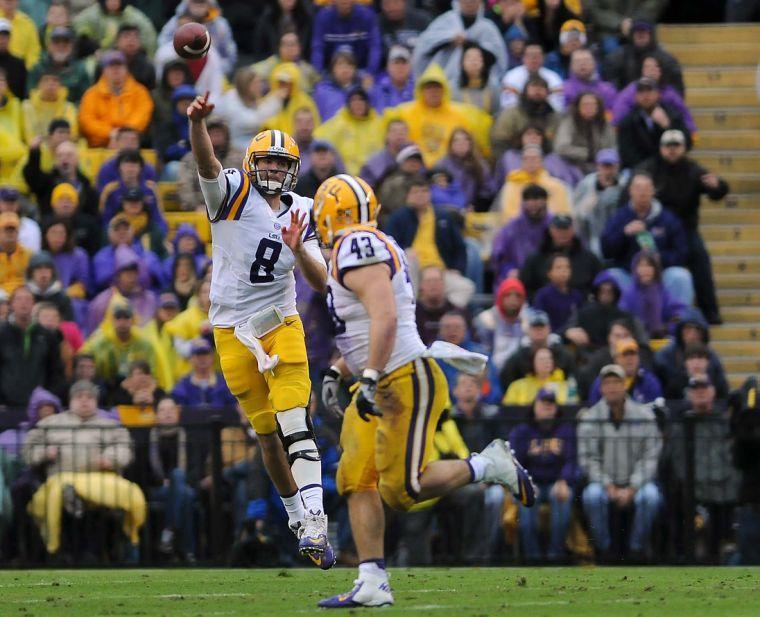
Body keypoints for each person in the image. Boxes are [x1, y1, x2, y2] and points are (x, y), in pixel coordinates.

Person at [314, 174, 534, 607]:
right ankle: (372, 580)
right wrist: (341, 369)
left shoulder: (357, 246)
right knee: (354, 478)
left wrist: (371, 375)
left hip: (400, 378)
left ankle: (487, 465)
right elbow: (358, 324)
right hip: (376, 376)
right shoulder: (357, 249)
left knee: (402, 490)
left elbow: (386, 319)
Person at [188, 89, 336, 566]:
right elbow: (208, 165)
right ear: (252, 164)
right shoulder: (230, 191)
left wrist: (300, 250)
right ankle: (297, 516)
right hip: (231, 329)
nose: (273, 171)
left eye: (281, 164)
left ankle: (316, 517)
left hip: (281, 321)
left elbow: (321, 282)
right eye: (266, 162)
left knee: (295, 420)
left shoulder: (303, 209)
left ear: (292, 168)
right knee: (267, 435)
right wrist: (197, 124)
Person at [23, 379, 146, 559]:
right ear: (70, 401)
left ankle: (81, 504)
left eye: (89, 397)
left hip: (101, 479)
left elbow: (125, 448)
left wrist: (110, 458)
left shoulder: (110, 425)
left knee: (129, 493)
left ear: (96, 402)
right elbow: (28, 449)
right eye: (79, 396)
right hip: (62, 477)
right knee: (58, 490)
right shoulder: (50, 424)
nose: (84, 400)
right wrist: (44, 453)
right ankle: (69, 516)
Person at [638, 129, 729, 324]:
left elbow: (718, 189)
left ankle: (709, 311)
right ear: (660, 148)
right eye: (667, 146)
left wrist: (717, 186)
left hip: (686, 229)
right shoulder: (649, 169)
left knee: (700, 259)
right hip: (654, 228)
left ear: (684, 148)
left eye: (676, 146)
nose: (672, 150)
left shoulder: (693, 170)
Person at [578, 364, 663, 560]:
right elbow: (588, 459)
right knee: (592, 496)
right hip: (604, 483)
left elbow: (650, 457)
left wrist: (633, 486)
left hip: (638, 483)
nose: (612, 387)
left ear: (625, 385)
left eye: (617, 382)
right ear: (601, 388)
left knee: (650, 497)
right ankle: (604, 550)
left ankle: (636, 549)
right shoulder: (590, 418)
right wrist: (608, 484)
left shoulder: (644, 416)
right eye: (607, 383)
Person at [384, 174, 474, 308]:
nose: (420, 195)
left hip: (440, 270)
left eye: (424, 191)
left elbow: (459, 247)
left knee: (466, 287)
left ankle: (444, 313)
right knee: (409, 259)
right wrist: (403, 251)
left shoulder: (444, 216)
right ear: (407, 196)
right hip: (414, 270)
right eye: (416, 192)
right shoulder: (398, 217)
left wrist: (456, 268)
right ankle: (413, 313)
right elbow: (387, 245)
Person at [602, 172, 694, 303]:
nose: (642, 192)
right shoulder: (619, 217)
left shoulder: (667, 218)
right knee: (611, 276)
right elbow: (606, 251)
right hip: (630, 275)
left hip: (660, 275)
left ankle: (679, 320)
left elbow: (682, 252)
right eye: (638, 188)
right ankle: (620, 322)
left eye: (646, 188)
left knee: (681, 276)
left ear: (653, 191)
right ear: (630, 191)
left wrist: (659, 257)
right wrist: (623, 234)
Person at [509, 388, 576, 561]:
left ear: (556, 408)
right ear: (534, 407)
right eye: (543, 403)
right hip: (531, 482)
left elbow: (572, 460)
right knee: (527, 501)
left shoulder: (566, 430)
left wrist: (564, 480)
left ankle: (556, 556)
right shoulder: (521, 430)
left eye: (551, 404)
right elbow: (515, 462)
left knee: (562, 498)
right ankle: (532, 558)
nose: (547, 407)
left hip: (557, 482)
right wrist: (526, 482)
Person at [386, 63, 474, 167]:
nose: (433, 92)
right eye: (429, 88)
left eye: (437, 88)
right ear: (421, 90)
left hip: (449, 169)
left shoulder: (459, 115)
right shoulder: (404, 112)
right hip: (414, 167)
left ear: (444, 90)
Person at [413, 0, 506, 93]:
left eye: (473, 1)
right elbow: (424, 49)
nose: (469, 3)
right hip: (443, 84)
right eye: (466, 1)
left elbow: (496, 59)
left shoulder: (488, 28)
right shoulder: (444, 21)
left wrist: (468, 43)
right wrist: (449, 40)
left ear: (480, 3)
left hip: (478, 86)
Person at [147, 396, 198, 562]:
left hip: (185, 485)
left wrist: (179, 481)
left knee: (181, 483)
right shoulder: (149, 438)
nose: (167, 414)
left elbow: (196, 468)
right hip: (158, 489)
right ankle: (188, 551)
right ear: (156, 415)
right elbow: (143, 471)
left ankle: (168, 532)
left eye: (171, 410)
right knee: (186, 495)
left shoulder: (189, 436)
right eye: (163, 410)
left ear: (177, 413)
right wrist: (161, 481)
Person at [0, 285, 64, 406]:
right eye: (19, 299)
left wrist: (49, 398)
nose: (23, 303)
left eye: (28, 299)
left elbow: (56, 372)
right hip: (5, 406)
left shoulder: (47, 336)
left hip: (40, 406)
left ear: (34, 304)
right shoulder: (2, 334)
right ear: (11, 305)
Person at [78, 50, 154, 148]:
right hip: (99, 146)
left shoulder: (141, 92)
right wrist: (110, 133)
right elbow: (87, 121)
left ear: (126, 69)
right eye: (111, 66)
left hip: (132, 144)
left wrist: (123, 135)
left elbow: (142, 116)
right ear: (104, 70)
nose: (115, 69)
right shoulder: (91, 94)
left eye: (119, 65)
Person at [520, 213, 602, 298]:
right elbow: (525, 287)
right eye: (559, 229)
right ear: (551, 230)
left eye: (566, 229)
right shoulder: (535, 259)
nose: (563, 233)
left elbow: (600, 282)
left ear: (573, 230)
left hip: (582, 307)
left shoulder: (588, 258)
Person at [654, 308, 729, 400]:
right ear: (680, 331)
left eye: (697, 329)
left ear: (703, 333)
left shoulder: (712, 357)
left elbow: (723, 393)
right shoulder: (664, 357)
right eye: (688, 329)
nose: (692, 334)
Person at [617, 77, 691, 169]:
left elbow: (687, 143)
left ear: (658, 94)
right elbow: (626, 153)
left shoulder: (673, 115)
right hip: (639, 170)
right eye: (641, 92)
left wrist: (668, 126)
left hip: (670, 167)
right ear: (636, 96)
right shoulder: (628, 121)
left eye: (649, 91)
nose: (645, 95)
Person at [611, 55, 695, 133]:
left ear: (660, 71)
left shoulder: (669, 93)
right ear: (642, 71)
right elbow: (620, 111)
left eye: (654, 67)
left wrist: (690, 130)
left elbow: (683, 113)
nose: (651, 70)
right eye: (647, 67)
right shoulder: (632, 90)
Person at [499, 308, 576, 391]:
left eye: (542, 327)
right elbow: (506, 381)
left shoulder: (564, 356)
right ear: (528, 330)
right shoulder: (518, 359)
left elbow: (572, 382)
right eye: (535, 327)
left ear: (549, 329)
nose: (539, 330)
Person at [313, 86, 384, 175]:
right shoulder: (337, 123)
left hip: (373, 176)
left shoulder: (379, 124)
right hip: (344, 176)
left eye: (361, 100)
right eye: (354, 100)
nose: (358, 104)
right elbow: (318, 140)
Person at [88, 244, 159, 332]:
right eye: (127, 273)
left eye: (134, 273)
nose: (131, 277)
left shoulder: (150, 299)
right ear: (118, 275)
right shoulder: (101, 303)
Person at [177, 117, 244, 212]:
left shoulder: (241, 158)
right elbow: (184, 187)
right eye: (212, 132)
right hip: (200, 210)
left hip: (235, 209)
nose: (216, 135)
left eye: (219, 132)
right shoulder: (190, 159)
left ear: (227, 135)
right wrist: (195, 207)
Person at [491, 183, 551, 284]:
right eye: (528, 199)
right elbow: (499, 254)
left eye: (537, 199)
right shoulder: (511, 227)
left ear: (545, 201)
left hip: (549, 274)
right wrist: (509, 270)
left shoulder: (554, 225)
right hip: (517, 273)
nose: (533, 204)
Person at [602, 19, 683, 94]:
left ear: (651, 35)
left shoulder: (667, 60)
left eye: (644, 32)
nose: (640, 35)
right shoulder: (618, 57)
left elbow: (677, 91)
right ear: (632, 35)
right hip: (627, 103)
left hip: (658, 103)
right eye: (637, 32)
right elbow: (611, 87)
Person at [618, 250, 686, 339]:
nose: (645, 270)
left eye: (649, 265)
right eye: (641, 266)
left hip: (661, 340)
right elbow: (622, 320)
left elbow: (678, 313)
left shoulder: (662, 292)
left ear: (655, 269)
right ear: (635, 269)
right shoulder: (628, 294)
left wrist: (667, 328)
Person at [572, 148, 627, 257]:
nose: (608, 170)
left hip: (619, 234)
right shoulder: (587, 184)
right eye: (604, 166)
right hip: (593, 236)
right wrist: (584, 209)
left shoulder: (624, 184)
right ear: (598, 166)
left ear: (617, 167)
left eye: (610, 166)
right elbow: (575, 215)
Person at [495, 144, 572, 221]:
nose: (530, 162)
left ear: (541, 161)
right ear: (521, 162)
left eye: (534, 159)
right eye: (526, 159)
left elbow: (562, 212)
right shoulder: (511, 185)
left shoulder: (556, 186)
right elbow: (509, 214)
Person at [215, 67, 284, 153]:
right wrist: (275, 100)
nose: (260, 86)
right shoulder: (230, 99)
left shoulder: (250, 99)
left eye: (260, 82)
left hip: (249, 147)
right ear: (245, 85)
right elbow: (251, 121)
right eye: (256, 83)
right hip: (233, 149)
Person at [24, 139, 98, 218]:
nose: (64, 158)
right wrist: (34, 153)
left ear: (77, 159)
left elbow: (92, 215)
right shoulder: (47, 183)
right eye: (60, 155)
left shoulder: (86, 186)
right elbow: (32, 177)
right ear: (55, 161)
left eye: (69, 155)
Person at [157, 0, 236, 75]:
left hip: (211, 71)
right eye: (195, 1)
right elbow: (163, 49)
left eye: (202, 2)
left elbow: (230, 57)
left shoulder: (220, 26)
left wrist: (214, 68)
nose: (198, 4)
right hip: (180, 69)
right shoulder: (176, 22)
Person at [563, 272, 633, 353]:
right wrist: (568, 331)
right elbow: (563, 331)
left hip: (620, 354)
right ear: (597, 291)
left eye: (610, 291)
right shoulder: (584, 313)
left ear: (616, 292)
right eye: (603, 290)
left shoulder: (625, 316)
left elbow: (640, 341)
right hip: (590, 356)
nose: (607, 291)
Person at [99, 149, 165, 234]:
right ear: (119, 167)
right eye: (126, 165)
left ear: (140, 168)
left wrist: (158, 236)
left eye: (134, 165)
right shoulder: (110, 190)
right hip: (119, 235)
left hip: (146, 234)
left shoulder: (150, 188)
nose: (130, 169)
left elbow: (158, 218)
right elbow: (105, 220)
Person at [311, 0, 381, 75]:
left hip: (361, 70)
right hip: (330, 71)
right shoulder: (323, 17)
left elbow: (375, 47)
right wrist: (317, 74)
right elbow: (318, 48)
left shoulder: (367, 15)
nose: (344, 1)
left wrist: (370, 73)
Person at [555, 92, 617, 175]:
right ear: (578, 107)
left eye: (593, 104)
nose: (589, 107)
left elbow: (613, 148)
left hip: (600, 166)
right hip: (573, 165)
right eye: (585, 104)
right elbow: (561, 148)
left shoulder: (605, 125)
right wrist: (586, 153)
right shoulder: (569, 123)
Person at [588, 338, 662, 405]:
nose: (629, 358)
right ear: (615, 358)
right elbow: (593, 409)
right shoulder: (603, 381)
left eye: (633, 354)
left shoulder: (649, 382)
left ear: (638, 357)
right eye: (625, 354)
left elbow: (656, 409)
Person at [436, 127, 495, 211]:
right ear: (450, 145)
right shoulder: (442, 165)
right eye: (457, 140)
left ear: (470, 143)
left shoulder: (481, 165)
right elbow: (437, 191)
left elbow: (488, 190)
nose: (461, 143)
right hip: (449, 209)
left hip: (474, 209)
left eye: (465, 140)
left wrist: (475, 206)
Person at [474, 277, 527, 370]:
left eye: (518, 295)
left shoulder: (528, 321)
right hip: (491, 370)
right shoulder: (485, 320)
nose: (513, 299)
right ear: (500, 297)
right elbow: (482, 354)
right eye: (508, 295)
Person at [27, 25, 89, 103]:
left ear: (71, 46)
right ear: (49, 46)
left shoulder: (80, 70)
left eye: (65, 42)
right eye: (56, 42)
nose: (61, 45)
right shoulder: (38, 68)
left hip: (71, 113)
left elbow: (85, 99)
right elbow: (29, 95)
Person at [73, 0, 157, 56]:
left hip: (128, 57)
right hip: (97, 56)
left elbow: (149, 41)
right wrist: (94, 49)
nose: (113, 1)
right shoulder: (90, 15)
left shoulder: (134, 17)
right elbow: (80, 32)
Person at [171, 338, 237, 408]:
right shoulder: (183, 386)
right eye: (198, 355)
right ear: (191, 359)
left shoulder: (225, 383)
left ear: (212, 357)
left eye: (205, 354)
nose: (202, 358)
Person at [499, 43, 564, 111]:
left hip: (546, 115)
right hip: (519, 116)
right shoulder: (511, 76)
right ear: (523, 58)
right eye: (530, 56)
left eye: (537, 56)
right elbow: (507, 105)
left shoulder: (553, 77)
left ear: (543, 58)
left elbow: (558, 106)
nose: (534, 59)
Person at [502, 346, 576, 405]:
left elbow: (571, 408)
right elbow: (509, 411)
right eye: (542, 359)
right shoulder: (517, 386)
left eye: (549, 358)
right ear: (533, 363)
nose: (547, 361)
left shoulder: (566, 386)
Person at [532, 253, 585, 333]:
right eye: (558, 267)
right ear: (549, 273)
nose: (563, 271)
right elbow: (540, 323)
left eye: (567, 267)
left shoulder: (577, 296)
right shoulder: (543, 295)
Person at [95, 127, 157, 192]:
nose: (129, 143)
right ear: (117, 143)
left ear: (138, 144)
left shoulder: (148, 169)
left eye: (133, 140)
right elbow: (102, 198)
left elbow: (152, 197)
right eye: (125, 139)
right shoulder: (106, 170)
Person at [313, 46, 363, 122]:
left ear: (355, 69)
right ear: (333, 68)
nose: (345, 69)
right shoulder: (322, 91)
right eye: (340, 64)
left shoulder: (362, 91)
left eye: (349, 65)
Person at [358, 118, 409, 189]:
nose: (399, 134)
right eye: (394, 131)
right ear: (387, 135)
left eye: (403, 131)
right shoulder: (374, 163)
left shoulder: (414, 158)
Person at [24, 251, 73, 321]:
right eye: (39, 269)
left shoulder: (62, 298)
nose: (43, 273)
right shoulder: (25, 296)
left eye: (47, 269)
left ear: (52, 273)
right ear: (31, 273)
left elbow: (69, 324)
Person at [369, 44, 414, 113]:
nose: (400, 67)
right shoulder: (375, 91)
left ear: (410, 67)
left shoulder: (417, 91)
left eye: (404, 63)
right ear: (388, 67)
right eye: (396, 63)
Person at [112, 23, 155, 90]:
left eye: (135, 36)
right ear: (116, 42)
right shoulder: (105, 64)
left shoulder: (147, 67)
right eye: (126, 36)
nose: (131, 40)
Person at [0, 0, 40, 69]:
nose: (9, 1)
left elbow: (33, 53)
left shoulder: (28, 23)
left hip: (19, 73)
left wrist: (25, 72)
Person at [0, 186, 39, 250]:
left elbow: (34, 253)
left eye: (12, 202)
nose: (9, 206)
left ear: (18, 204)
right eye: (6, 202)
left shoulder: (30, 225)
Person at [0, 210, 29, 294]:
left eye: (13, 230)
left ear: (18, 232)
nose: (10, 233)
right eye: (6, 230)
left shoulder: (28, 255)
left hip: (23, 296)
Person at [0, 17, 25, 99]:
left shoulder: (19, 65)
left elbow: (22, 94)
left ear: (9, 38)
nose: (1, 40)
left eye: (4, 36)